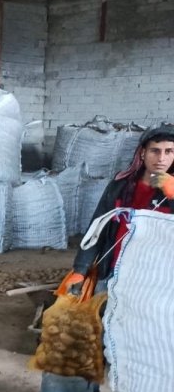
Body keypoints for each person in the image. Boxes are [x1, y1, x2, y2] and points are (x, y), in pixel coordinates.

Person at [69, 123, 174, 293]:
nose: (161, 158)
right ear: (142, 153)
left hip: (155, 280)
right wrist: (81, 269)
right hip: (113, 269)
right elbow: (97, 229)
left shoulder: (171, 190)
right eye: (155, 151)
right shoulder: (120, 186)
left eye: (169, 151)